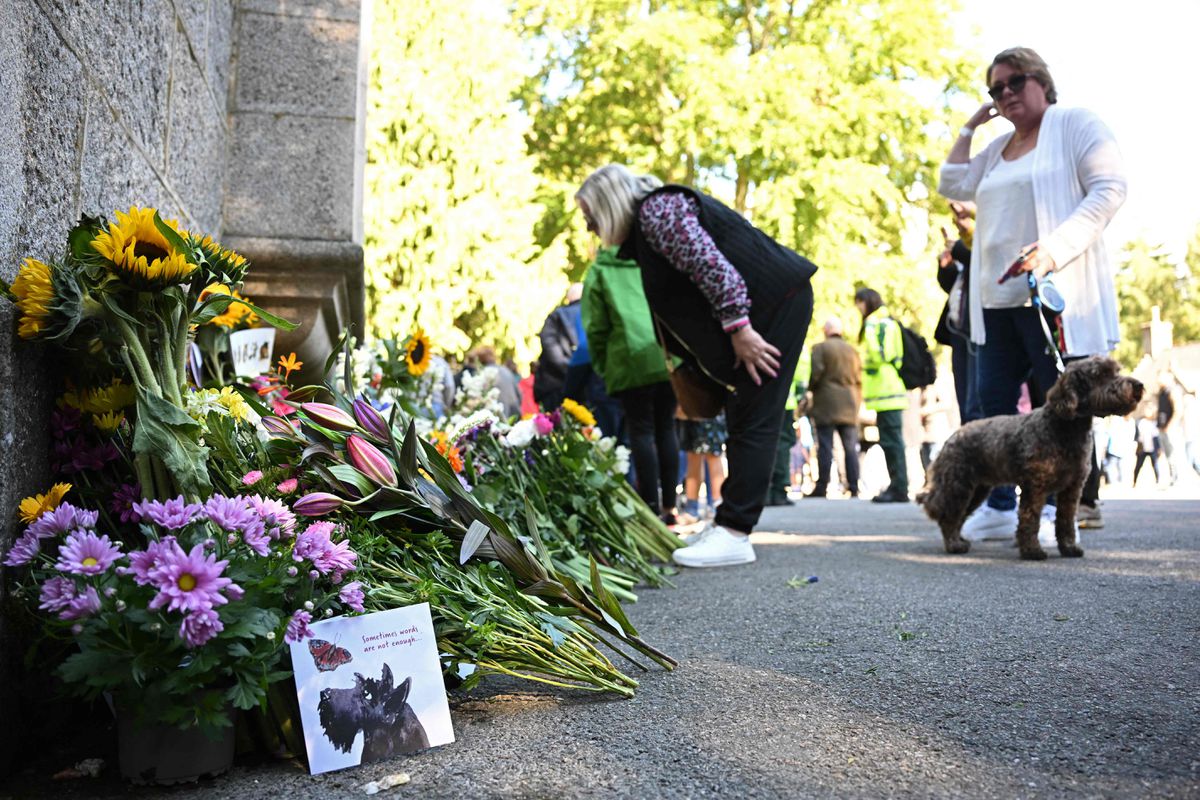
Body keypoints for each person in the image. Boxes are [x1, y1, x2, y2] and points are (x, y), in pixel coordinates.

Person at [575, 164, 816, 568]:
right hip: (766, 309)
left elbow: (711, 267)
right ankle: (728, 524)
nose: (590, 229)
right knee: (744, 413)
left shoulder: (658, 212)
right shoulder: (649, 226)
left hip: (772, 308)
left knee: (756, 413)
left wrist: (740, 327)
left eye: (591, 218)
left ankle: (736, 533)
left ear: (610, 204)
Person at [939, 46, 1126, 540]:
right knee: (991, 408)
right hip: (995, 300)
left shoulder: (1074, 125)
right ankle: (999, 506)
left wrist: (1055, 249)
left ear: (1042, 80)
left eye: (1014, 82)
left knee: (1062, 405)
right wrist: (971, 126)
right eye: (995, 89)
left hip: (1053, 292)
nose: (1004, 94)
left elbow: (1109, 188)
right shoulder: (997, 149)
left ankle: (1053, 512)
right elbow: (951, 182)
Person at [581, 246, 678, 521]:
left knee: (642, 432)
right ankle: (671, 506)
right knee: (666, 427)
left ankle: (651, 507)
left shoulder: (600, 271)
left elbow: (596, 328)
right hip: (666, 355)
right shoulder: (652, 259)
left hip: (629, 360)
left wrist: (603, 366)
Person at [855, 288, 909, 503]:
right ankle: (897, 485)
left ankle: (899, 487)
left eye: (859, 302)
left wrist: (866, 362)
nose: (858, 308)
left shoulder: (878, 324)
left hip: (888, 391)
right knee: (889, 440)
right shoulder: (883, 322)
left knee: (892, 441)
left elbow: (881, 354)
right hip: (884, 392)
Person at [934, 202, 982, 424]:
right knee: (964, 395)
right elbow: (952, 284)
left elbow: (980, 265)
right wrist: (945, 265)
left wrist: (959, 249)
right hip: (959, 329)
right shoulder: (962, 250)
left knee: (976, 398)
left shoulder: (981, 242)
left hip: (977, 328)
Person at [805, 317, 862, 499]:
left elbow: (816, 373)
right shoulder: (853, 351)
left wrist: (811, 389)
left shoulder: (820, 348)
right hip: (850, 403)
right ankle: (853, 486)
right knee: (850, 447)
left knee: (825, 446)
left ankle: (822, 486)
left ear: (826, 330)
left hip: (826, 403)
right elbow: (859, 378)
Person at [766, 352, 810, 506]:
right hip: (784, 402)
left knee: (765, 442)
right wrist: (800, 397)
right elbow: (800, 372)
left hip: (763, 400)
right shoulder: (790, 332)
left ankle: (766, 490)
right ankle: (778, 489)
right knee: (783, 443)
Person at [534, 284, 583, 409]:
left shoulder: (556, 316)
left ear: (568, 298)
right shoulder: (593, 315)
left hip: (555, 384)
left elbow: (549, 345)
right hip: (586, 386)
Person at [1133, 407, 1161, 488]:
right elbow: (1137, 436)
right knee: (1138, 465)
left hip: (1152, 448)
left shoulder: (1155, 423)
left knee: (1155, 465)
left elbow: (1157, 438)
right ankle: (1134, 481)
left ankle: (1157, 481)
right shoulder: (1140, 422)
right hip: (1142, 448)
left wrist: (1159, 449)